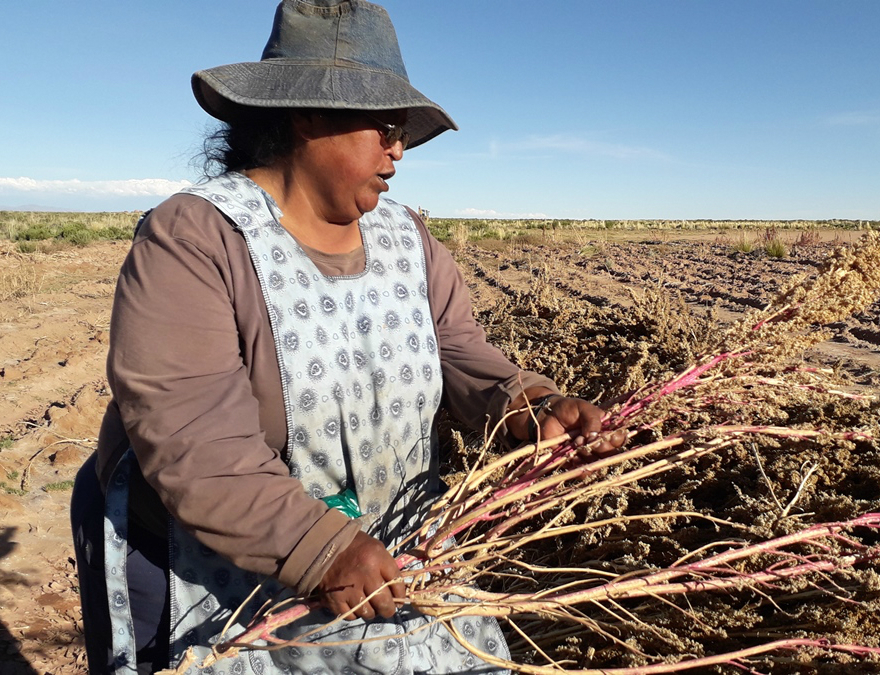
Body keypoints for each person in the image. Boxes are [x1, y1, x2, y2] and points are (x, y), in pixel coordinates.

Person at [70, 1, 625, 674]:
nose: (398, 147)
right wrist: (317, 544)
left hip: (378, 552)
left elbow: (455, 348)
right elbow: (194, 440)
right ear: (305, 113)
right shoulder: (197, 238)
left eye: (402, 128)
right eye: (383, 125)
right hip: (212, 564)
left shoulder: (406, 238)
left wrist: (527, 403)